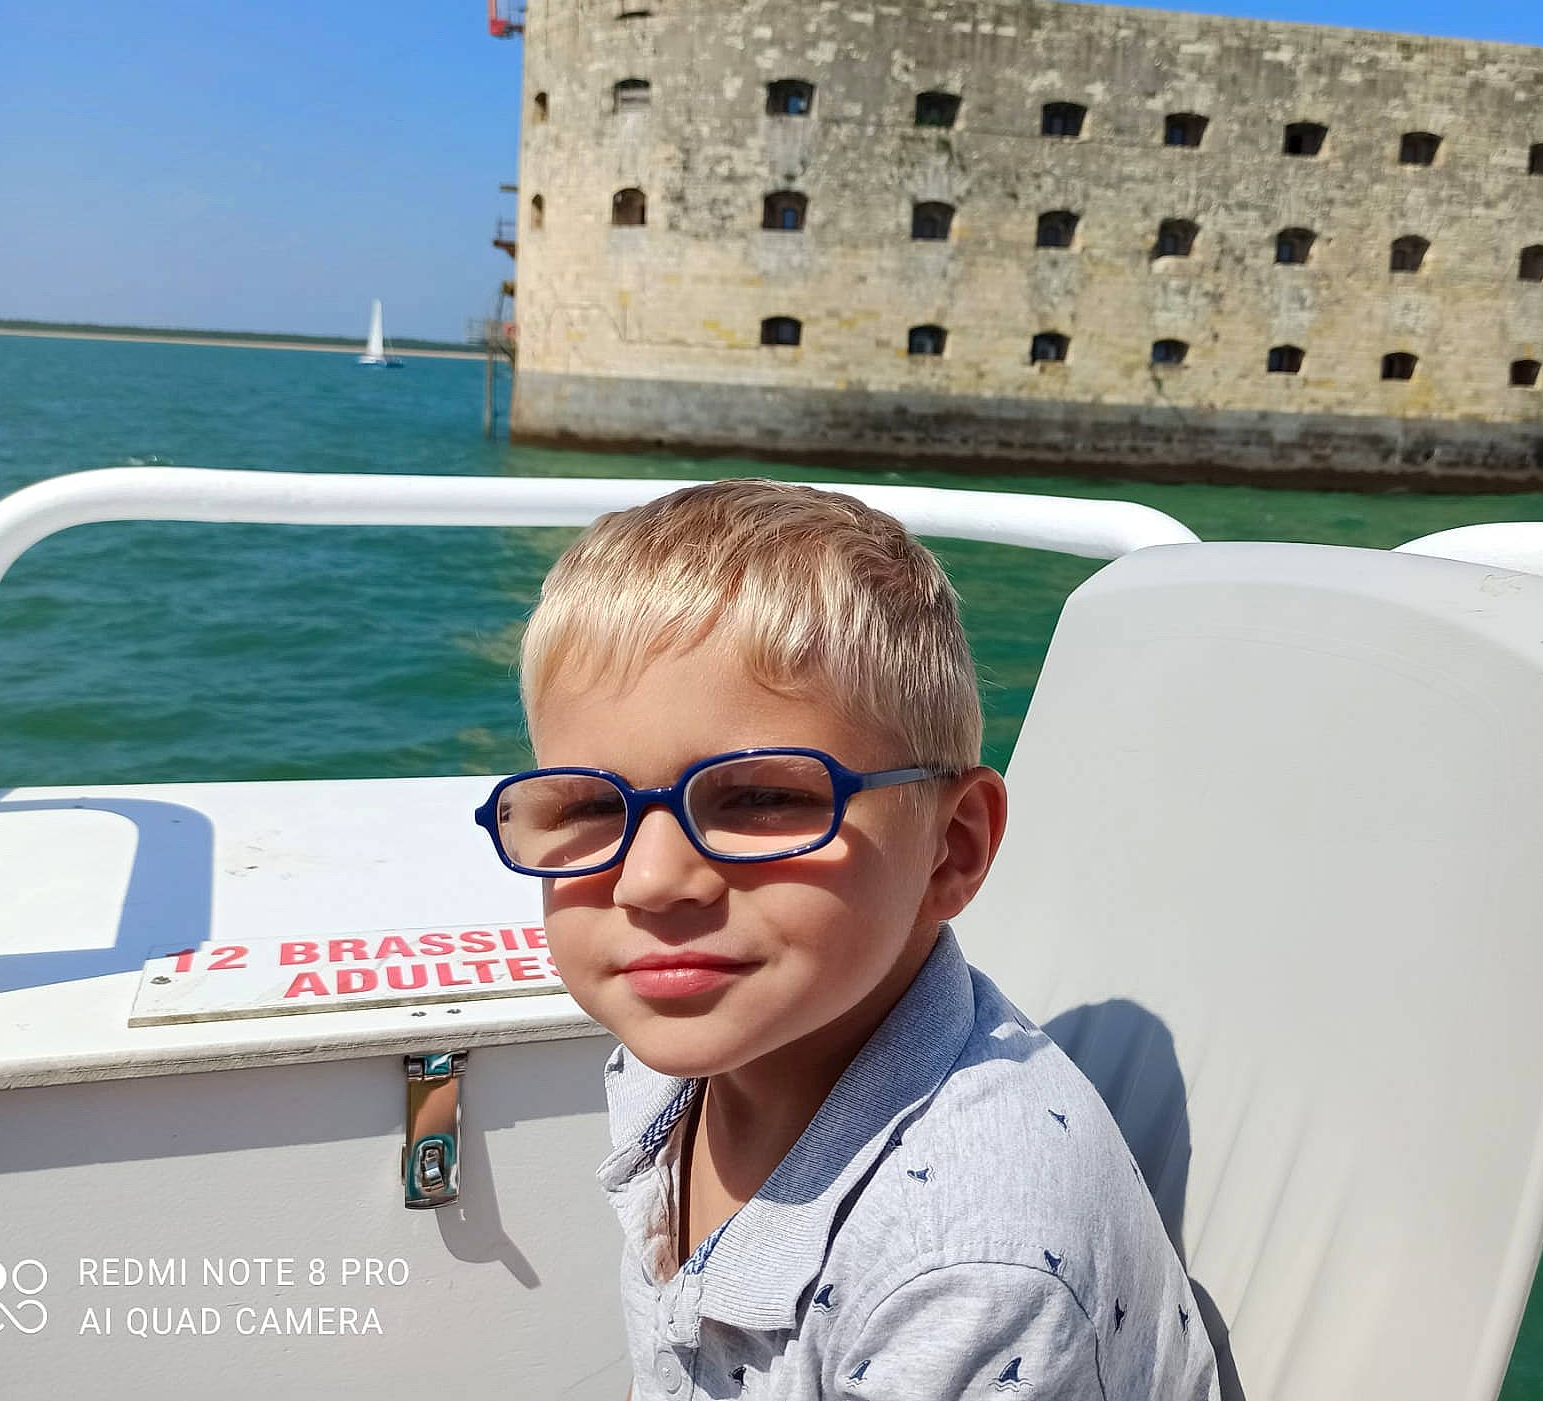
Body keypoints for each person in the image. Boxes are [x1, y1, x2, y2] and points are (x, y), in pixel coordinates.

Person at [476, 478, 1219, 1398]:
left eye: (763, 797)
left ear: (950, 848)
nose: (650, 879)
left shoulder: (966, 1270)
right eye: (589, 804)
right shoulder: (680, 1046)